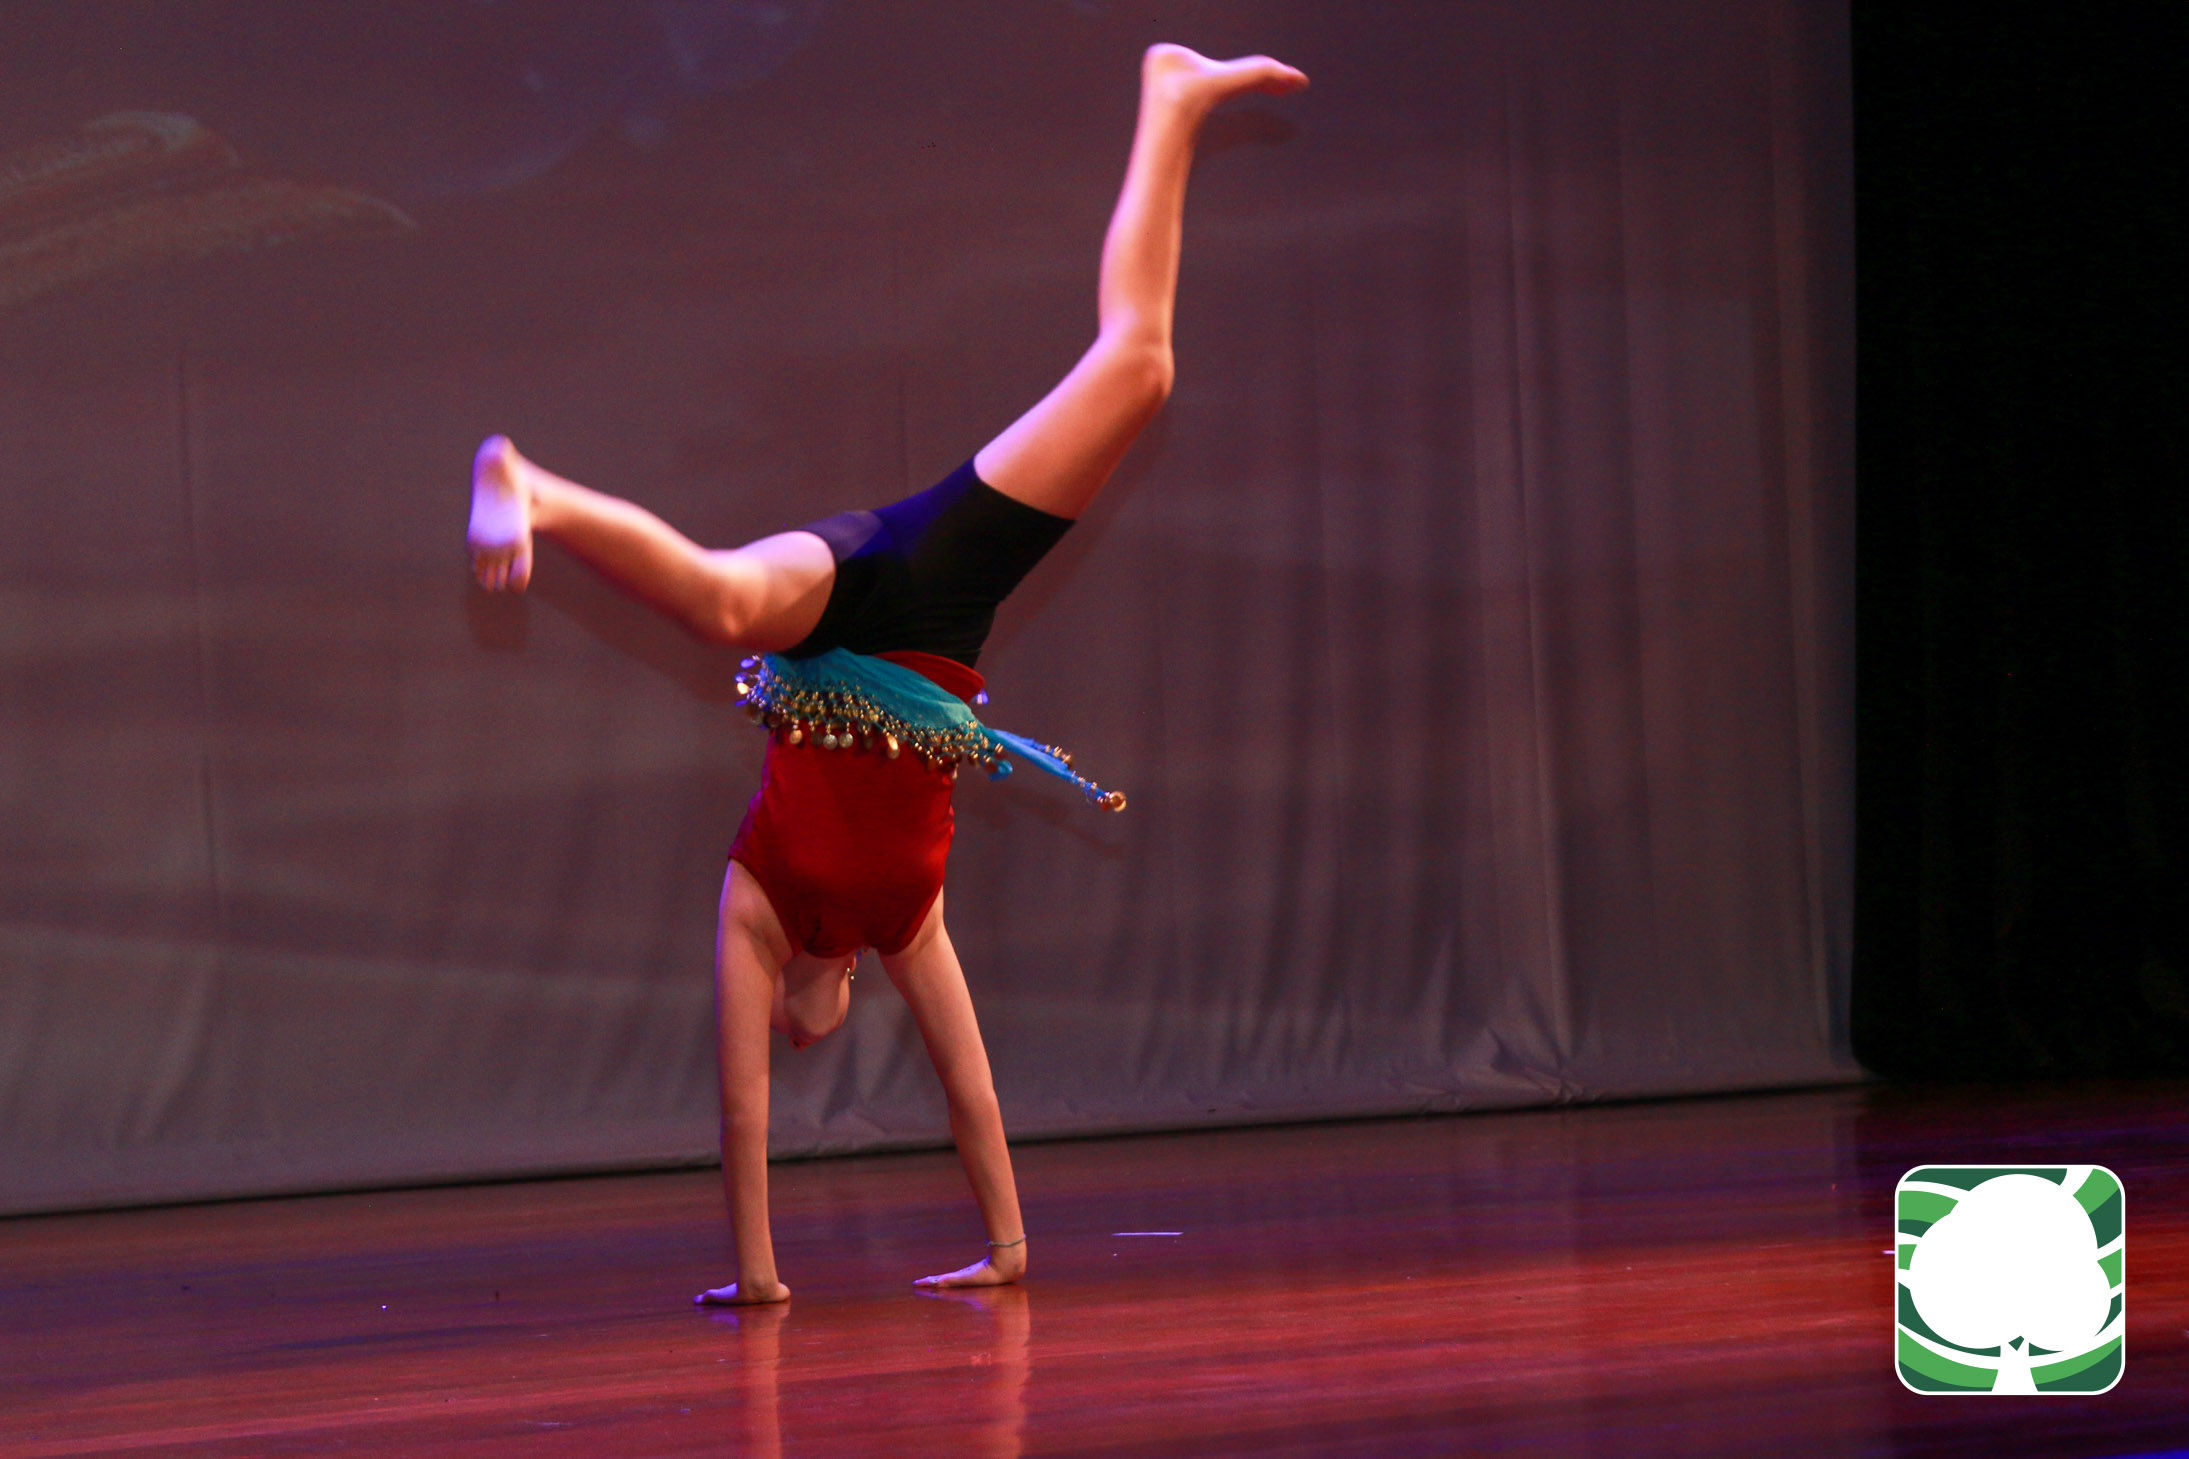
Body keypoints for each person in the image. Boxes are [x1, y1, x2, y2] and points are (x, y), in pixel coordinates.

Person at [466, 44, 1308, 1303]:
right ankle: (1171, 99)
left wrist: (758, 1277)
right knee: (1140, 371)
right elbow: (968, 1083)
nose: (797, 1034)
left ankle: (531, 487)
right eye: (805, 1029)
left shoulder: (755, 907)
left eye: (790, 1031)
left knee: (725, 602)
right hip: (943, 609)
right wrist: (1009, 1250)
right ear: (849, 982)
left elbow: (739, 1112)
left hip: (843, 602)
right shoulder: (906, 928)